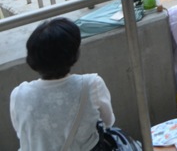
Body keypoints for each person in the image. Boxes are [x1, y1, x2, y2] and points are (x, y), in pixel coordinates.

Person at [10, 18, 116, 150]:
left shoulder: (18, 94)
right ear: (74, 54)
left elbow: (22, 133)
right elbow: (108, 122)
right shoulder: (91, 85)